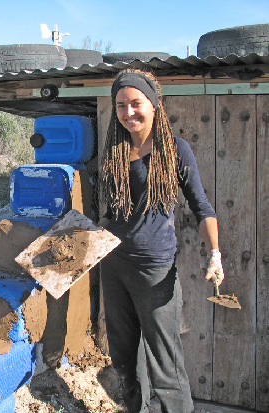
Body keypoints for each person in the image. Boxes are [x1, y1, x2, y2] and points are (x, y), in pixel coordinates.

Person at [98, 68, 224, 413]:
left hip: (155, 271)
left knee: (165, 364)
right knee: (124, 357)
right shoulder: (116, 151)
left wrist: (215, 253)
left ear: (154, 105)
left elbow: (202, 208)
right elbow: (112, 211)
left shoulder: (175, 151)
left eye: (136, 103)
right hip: (114, 267)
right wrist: (90, 236)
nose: (128, 113)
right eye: (120, 106)